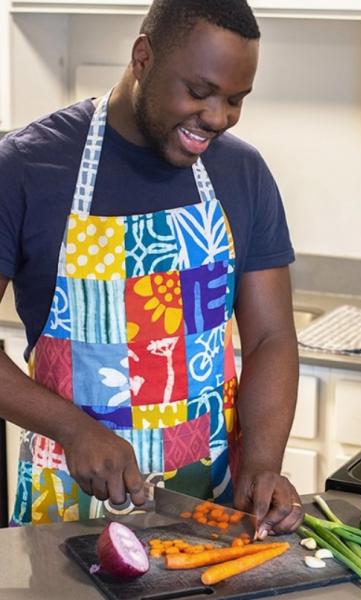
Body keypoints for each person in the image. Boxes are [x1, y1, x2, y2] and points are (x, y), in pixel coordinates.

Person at [0, 0, 302, 536]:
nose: (217, 117)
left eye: (236, 100)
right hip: (66, 514)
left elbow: (270, 338)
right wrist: (73, 429)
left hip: (211, 511)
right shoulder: (26, 168)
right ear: (143, 57)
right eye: (200, 91)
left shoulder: (243, 172)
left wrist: (260, 463)